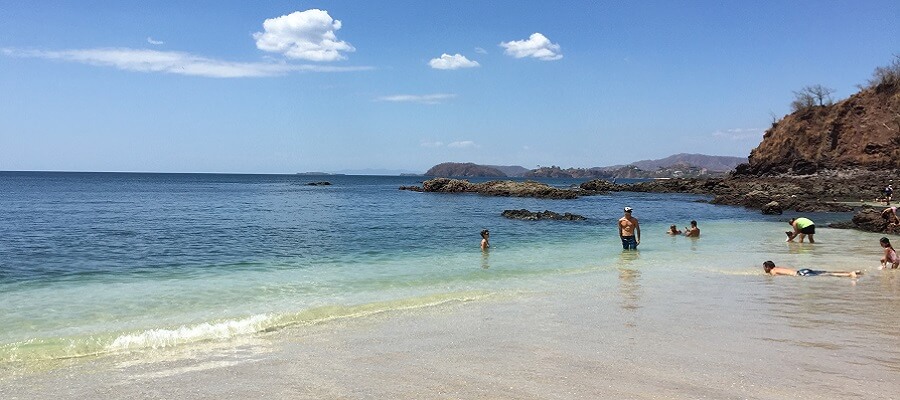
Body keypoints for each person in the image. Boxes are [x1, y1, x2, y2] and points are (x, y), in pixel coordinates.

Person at [762, 261, 860, 278]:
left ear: (767, 267)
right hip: (801, 270)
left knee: (828, 275)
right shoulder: (778, 267)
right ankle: (853, 272)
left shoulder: (772, 271)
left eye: (764, 268)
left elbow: (777, 277)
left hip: (801, 275)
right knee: (827, 272)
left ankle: (849, 274)